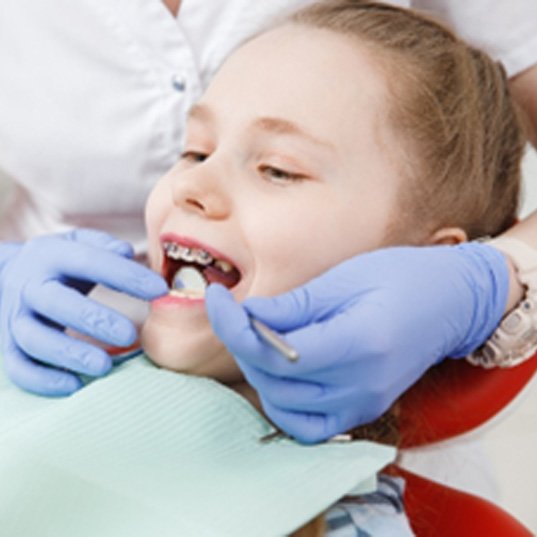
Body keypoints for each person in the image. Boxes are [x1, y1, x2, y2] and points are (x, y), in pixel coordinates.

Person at [0, 3, 529, 534]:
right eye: (195, 153)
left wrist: (496, 275)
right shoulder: (40, 386)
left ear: (419, 265)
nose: (190, 188)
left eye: (278, 170)